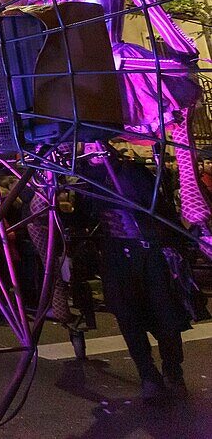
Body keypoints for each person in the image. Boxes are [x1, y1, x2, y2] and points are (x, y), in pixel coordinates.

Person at [81, 144, 192, 403]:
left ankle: (173, 371)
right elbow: (83, 218)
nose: (92, 148)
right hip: (116, 257)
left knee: (165, 316)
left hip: (148, 252)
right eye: (87, 145)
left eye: (96, 144)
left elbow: (161, 209)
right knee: (128, 316)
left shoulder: (132, 172)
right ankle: (148, 375)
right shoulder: (87, 177)